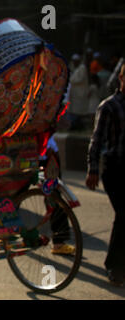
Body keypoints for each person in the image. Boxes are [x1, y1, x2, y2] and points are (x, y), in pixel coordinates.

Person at [86, 63, 125, 287]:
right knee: (123, 214)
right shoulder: (108, 106)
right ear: (120, 78)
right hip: (113, 168)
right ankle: (114, 266)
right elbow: (96, 140)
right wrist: (92, 170)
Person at [68, 54, 89, 130]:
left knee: (79, 112)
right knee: (74, 111)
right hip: (75, 95)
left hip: (80, 94)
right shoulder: (75, 69)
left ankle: (79, 126)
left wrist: (70, 80)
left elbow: (79, 79)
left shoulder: (82, 68)